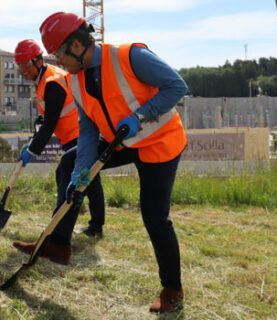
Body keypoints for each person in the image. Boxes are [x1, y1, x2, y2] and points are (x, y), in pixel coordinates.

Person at [38, 12, 188, 313]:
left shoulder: (131, 57)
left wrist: (139, 116)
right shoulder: (74, 80)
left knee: (155, 217)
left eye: (59, 55)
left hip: (158, 141)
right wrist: (82, 171)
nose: (57, 62)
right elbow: (88, 127)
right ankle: (59, 243)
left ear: (78, 46)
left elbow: (177, 86)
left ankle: (173, 289)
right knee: (69, 164)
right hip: (121, 140)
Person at [11, 39, 106, 264]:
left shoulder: (51, 82)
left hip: (80, 135)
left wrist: (32, 150)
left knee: (69, 178)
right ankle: (94, 227)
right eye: (19, 66)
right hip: (79, 133)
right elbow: (50, 115)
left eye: (26, 65)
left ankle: (58, 239)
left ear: (37, 60)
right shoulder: (47, 77)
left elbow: (50, 124)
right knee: (90, 181)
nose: (22, 70)